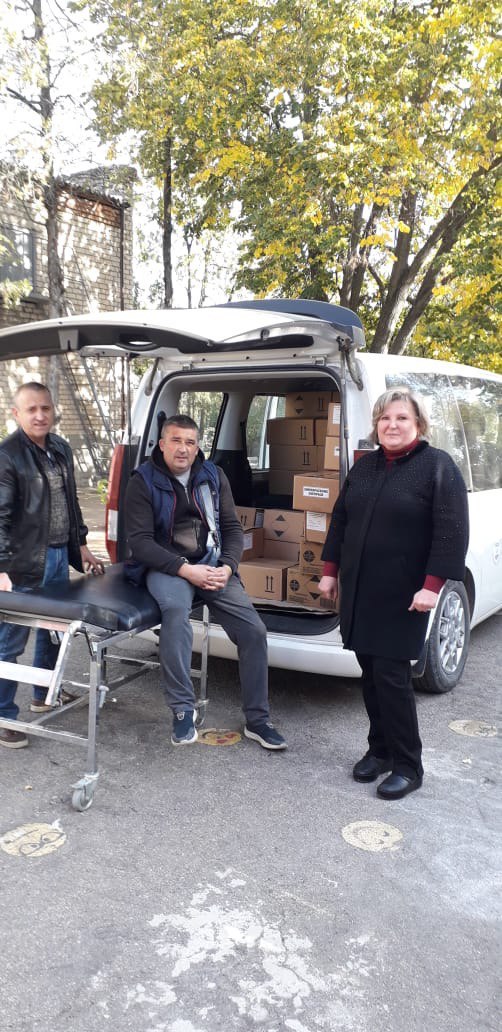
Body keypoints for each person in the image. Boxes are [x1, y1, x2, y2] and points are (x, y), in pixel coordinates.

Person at [320, 388, 469, 800]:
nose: (392, 425)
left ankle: (408, 765)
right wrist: (330, 572)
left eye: (402, 418)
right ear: (376, 424)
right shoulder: (365, 467)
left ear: (418, 423)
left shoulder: (437, 466)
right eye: (385, 418)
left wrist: (432, 587)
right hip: (361, 589)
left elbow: (452, 533)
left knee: (391, 677)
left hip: (404, 594)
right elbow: (340, 520)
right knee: (369, 673)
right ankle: (380, 750)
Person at [124, 414, 286, 750]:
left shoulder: (212, 475)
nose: (183, 449)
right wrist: (185, 570)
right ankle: (183, 710)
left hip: (211, 564)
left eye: (190, 442)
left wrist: (227, 567)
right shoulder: (143, 480)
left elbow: (232, 527)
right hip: (166, 566)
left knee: (254, 631)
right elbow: (140, 543)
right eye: (176, 441)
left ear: (198, 447)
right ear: (162, 444)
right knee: (175, 613)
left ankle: (258, 719)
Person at [0, 382, 104, 748]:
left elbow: (70, 502)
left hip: (58, 556)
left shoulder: (60, 447)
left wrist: (82, 546)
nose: (40, 415)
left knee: (53, 630)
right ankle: (4, 716)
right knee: (10, 641)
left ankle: (44, 696)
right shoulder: (7, 456)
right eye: (31, 409)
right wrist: (1, 569)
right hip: (23, 564)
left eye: (45, 408)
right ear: (17, 414)